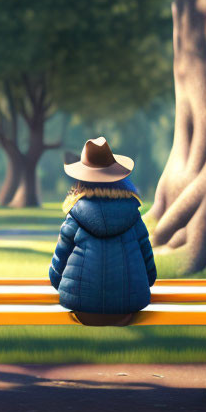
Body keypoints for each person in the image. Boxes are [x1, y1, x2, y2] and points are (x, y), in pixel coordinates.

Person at [49, 136, 156, 325]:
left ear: (81, 180)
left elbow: (57, 270)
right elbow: (150, 272)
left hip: (81, 307)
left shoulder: (74, 216)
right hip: (127, 308)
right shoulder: (133, 215)